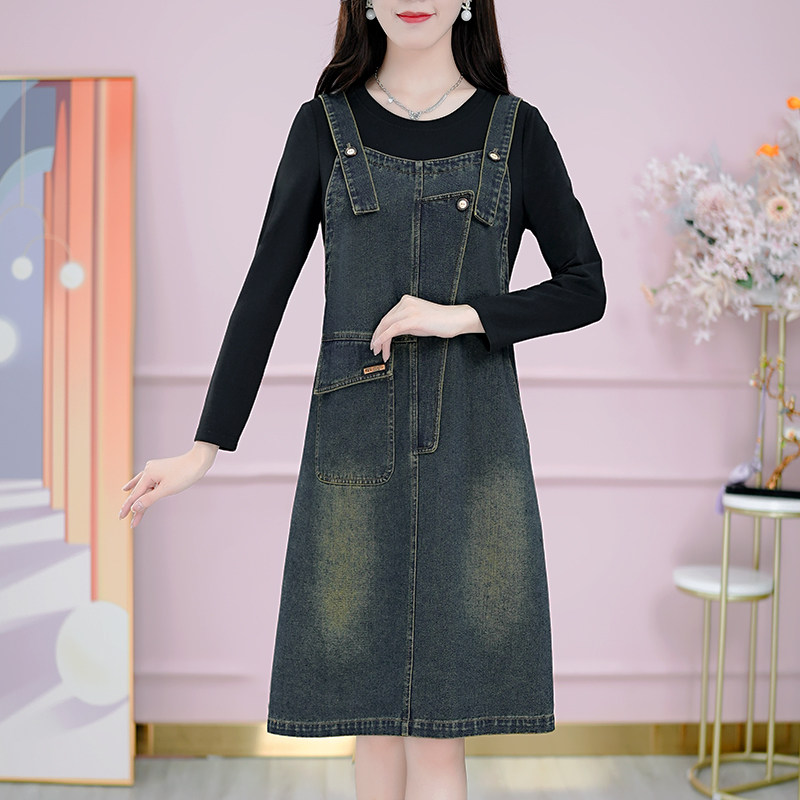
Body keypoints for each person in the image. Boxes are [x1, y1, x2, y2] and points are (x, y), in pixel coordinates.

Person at [119, 1, 606, 797]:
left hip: (475, 449)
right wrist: (203, 449)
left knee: (442, 735)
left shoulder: (517, 130)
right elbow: (264, 289)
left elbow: (586, 287)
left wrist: (462, 315)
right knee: (371, 723)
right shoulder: (322, 126)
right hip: (353, 445)